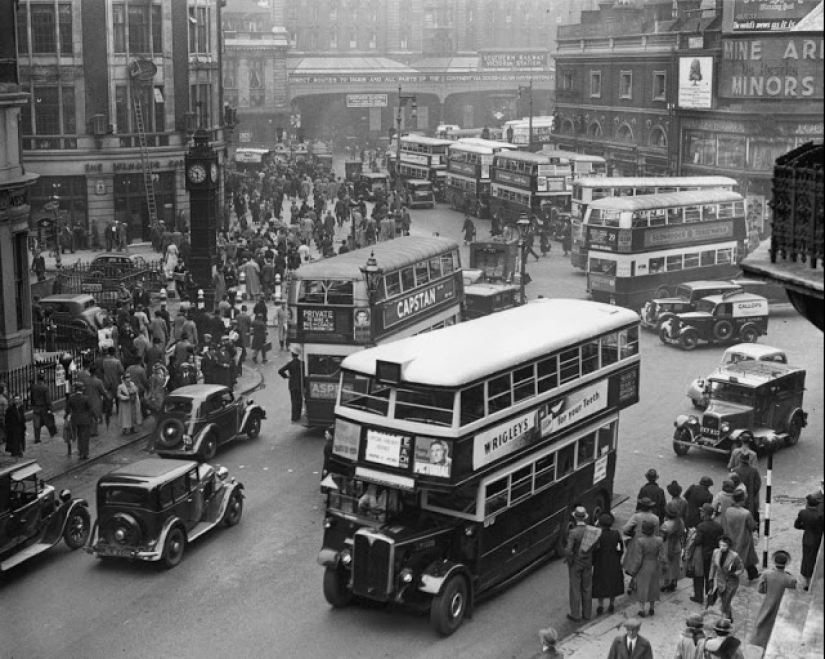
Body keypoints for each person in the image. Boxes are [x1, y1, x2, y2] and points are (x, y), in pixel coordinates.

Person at [750, 549, 797, 648]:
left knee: (762, 622)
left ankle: (759, 642)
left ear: (774, 562)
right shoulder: (791, 579)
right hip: (782, 605)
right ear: (786, 564)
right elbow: (791, 597)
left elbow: (761, 590)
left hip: (768, 602)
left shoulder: (767, 573)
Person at [564, 506, 600, 622]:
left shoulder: (573, 532)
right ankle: (587, 614)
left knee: (575, 589)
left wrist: (570, 561)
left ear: (575, 518)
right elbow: (596, 546)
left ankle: (575, 614)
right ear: (585, 518)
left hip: (576, 563)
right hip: (587, 562)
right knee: (587, 588)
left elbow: (568, 550)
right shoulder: (591, 531)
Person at [626, 519, 665, 618]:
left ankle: (642, 609)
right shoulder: (659, 540)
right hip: (654, 564)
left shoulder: (640, 541)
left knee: (642, 587)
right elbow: (662, 556)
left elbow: (638, 559)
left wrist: (634, 570)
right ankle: (652, 607)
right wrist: (664, 567)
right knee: (653, 586)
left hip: (644, 566)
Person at [686, 503, 724, 604]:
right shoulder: (718, 527)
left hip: (702, 555)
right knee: (710, 577)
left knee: (698, 576)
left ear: (705, 514)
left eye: (702, 512)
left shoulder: (701, 526)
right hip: (713, 554)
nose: (700, 513)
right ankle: (710, 596)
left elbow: (698, 541)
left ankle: (698, 596)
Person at [720, 489, 759, 582]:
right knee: (744, 557)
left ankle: (753, 574)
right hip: (744, 538)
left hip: (732, 537)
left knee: (738, 557)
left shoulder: (728, 511)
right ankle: (732, 575)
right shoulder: (746, 513)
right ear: (742, 500)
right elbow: (752, 526)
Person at [591, 512, 624, 615]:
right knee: (612, 581)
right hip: (613, 559)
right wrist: (618, 556)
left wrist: (594, 560)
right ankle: (612, 603)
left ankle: (600, 605)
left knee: (600, 582)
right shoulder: (616, 534)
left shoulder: (598, 534)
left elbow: (594, 549)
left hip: (601, 560)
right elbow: (620, 547)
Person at [708, 535, 744, 623]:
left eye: (724, 546)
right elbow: (713, 566)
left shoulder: (735, 556)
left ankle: (725, 621)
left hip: (731, 582)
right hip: (720, 581)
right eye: (720, 545)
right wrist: (711, 579)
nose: (722, 547)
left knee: (725, 602)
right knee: (725, 602)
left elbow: (741, 568)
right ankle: (729, 618)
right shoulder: (715, 552)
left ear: (729, 546)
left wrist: (734, 573)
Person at [622, 497, 659, 580]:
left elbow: (625, 529)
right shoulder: (656, 518)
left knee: (635, 563)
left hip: (637, 543)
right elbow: (657, 534)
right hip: (651, 544)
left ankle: (634, 582)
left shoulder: (636, 517)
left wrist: (631, 533)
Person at [795, 493, 825, 591]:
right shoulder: (820, 515)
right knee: (813, 559)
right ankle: (810, 581)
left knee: (805, 558)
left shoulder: (802, 513)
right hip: (817, 539)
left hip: (806, 538)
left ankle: (805, 580)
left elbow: (797, 525)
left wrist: (806, 528)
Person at [660, 500, 686, 592]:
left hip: (668, 548)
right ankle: (674, 583)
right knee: (675, 566)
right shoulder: (680, 522)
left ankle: (667, 584)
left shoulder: (665, 525)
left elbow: (662, 538)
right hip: (677, 547)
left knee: (667, 566)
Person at [65, 381, 94, 459]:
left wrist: (68, 416)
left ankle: (80, 452)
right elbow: (91, 409)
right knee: (85, 437)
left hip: (75, 420)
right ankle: (85, 453)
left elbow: (67, 410)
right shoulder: (86, 398)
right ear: (82, 389)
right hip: (85, 420)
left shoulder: (71, 398)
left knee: (79, 436)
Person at [278, 346, 303, 422]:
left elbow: (280, 371)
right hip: (299, 384)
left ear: (292, 354)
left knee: (293, 401)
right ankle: (298, 416)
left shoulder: (290, 364)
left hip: (292, 384)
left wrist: (286, 376)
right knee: (299, 400)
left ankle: (294, 417)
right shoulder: (301, 364)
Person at [29, 371, 52, 444]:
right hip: (44, 407)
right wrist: (49, 408)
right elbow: (48, 399)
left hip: (36, 407)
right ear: (44, 378)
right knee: (48, 421)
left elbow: (32, 397)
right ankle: (52, 433)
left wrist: (32, 406)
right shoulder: (45, 387)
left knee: (36, 423)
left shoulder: (34, 387)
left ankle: (37, 438)